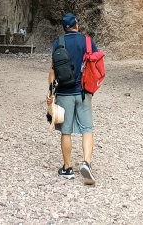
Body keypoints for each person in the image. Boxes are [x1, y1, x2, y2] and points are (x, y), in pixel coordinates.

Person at [46, 12, 97, 185]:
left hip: (64, 93)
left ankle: (67, 168)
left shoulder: (58, 42)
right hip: (83, 92)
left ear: (64, 28)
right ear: (76, 25)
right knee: (87, 129)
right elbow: (95, 65)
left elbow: (53, 70)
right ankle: (86, 163)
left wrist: (50, 93)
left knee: (66, 131)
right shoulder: (88, 41)